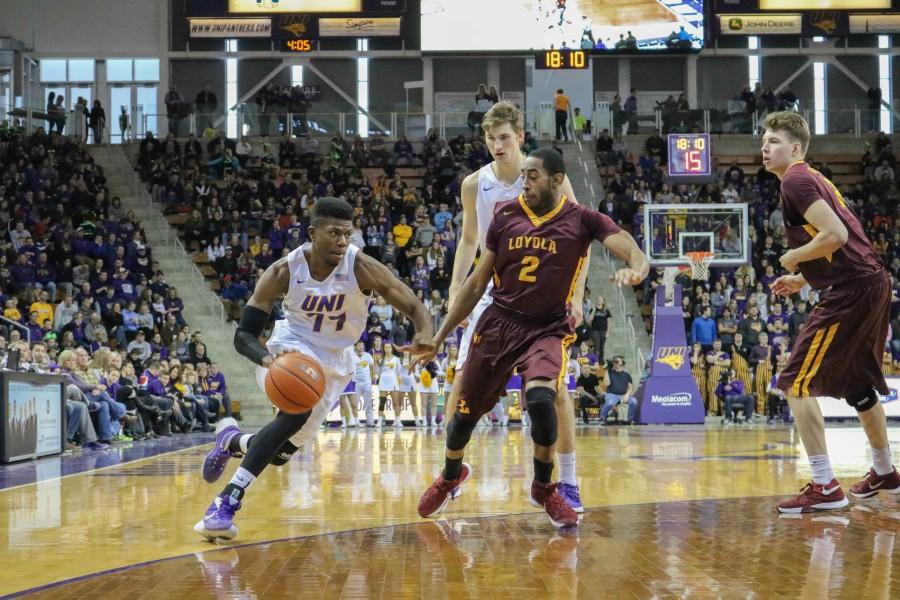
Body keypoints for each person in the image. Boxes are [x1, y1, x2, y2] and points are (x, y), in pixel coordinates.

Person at [407, 148, 648, 528]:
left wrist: (638, 266)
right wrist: (438, 337)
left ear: (556, 180)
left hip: (548, 327)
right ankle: (451, 474)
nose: (525, 182)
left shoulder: (582, 218)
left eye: (533, 175)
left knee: (540, 396)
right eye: (523, 175)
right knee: (463, 417)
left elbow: (623, 241)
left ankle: (544, 487)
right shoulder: (505, 217)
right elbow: (476, 282)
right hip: (500, 321)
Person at [194, 198, 433, 541]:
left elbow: (413, 304)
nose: (342, 241)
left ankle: (232, 442)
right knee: (295, 411)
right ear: (312, 233)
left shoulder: (361, 266)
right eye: (334, 233)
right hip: (290, 349)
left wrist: (424, 334)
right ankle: (225, 504)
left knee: (281, 454)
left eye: (347, 234)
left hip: (336, 359)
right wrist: (268, 360)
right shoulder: (283, 271)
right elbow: (243, 334)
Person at [443, 101, 591, 513]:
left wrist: (576, 295)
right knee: (461, 381)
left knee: (554, 390)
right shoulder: (475, 184)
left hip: (545, 295)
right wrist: (457, 286)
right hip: (494, 294)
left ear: (520, 137)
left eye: (504, 137)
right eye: (491, 139)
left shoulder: (547, 178)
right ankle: (452, 471)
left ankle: (569, 480)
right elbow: (469, 239)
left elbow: (580, 237)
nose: (497, 145)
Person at [762, 112, 899, 513]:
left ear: (796, 149)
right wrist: (806, 279)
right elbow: (846, 238)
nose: (765, 148)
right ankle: (885, 470)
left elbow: (835, 235)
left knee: (795, 383)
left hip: (853, 290)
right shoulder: (811, 178)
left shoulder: (796, 179)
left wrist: (795, 258)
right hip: (870, 282)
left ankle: (824, 485)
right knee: (857, 385)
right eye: (764, 141)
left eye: (773, 141)